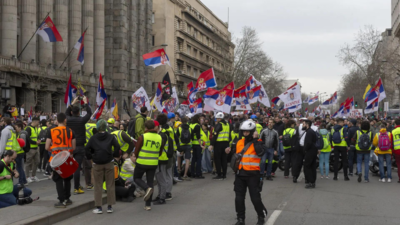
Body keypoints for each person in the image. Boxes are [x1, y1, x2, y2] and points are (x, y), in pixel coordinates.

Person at [230, 120, 267, 225]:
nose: (245, 133)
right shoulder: (239, 142)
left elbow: (260, 153)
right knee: (239, 199)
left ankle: (261, 216)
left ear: (252, 132)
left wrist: (255, 140)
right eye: (244, 131)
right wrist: (228, 150)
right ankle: (240, 219)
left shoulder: (259, 142)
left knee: (255, 198)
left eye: (247, 132)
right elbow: (235, 155)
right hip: (240, 174)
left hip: (253, 175)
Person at [85, 119, 120, 214]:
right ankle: (110, 206)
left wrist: (91, 156)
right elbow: (117, 146)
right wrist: (114, 155)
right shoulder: (110, 136)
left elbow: (87, 148)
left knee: (98, 185)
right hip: (109, 161)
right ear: (106, 127)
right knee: (110, 184)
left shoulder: (93, 138)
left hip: (97, 163)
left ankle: (99, 207)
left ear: (97, 127)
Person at [45, 113, 76, 208]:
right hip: (66, 158)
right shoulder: (70, 131)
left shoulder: (51, 130)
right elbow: (73, 147)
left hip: (56, 159)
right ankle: (67, 198)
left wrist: (54, 150)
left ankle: (61, 200)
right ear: (65, 120)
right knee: (67, 178)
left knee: (58, 179)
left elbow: (47, 147)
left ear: (57, 121)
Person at [133, 120, 165, 211]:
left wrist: (136, 156)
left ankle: (146, 189)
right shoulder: (159, 137)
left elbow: (137, 150)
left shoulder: (143, 136)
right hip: (153, 163)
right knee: (150, 182)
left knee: (136, 178)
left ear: (146, 128)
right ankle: (148, 205)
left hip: (142, 162)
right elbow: (160, 151)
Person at [65, 96, 91, 194]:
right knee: (77, 167)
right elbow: (89, 113)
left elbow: (66, 113)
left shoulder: (68, 119)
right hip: (79, 146)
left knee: (71, 167)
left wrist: (72, 103)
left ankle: (75, 185)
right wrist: (85, 103)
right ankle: (76, 187)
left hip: (69, 146)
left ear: (72, 112)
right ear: (79, 112)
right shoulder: (81, 120)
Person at [153, 114, 174, 205]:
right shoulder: (168, 130)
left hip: (163, 157)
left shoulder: (163, 133)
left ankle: (164, 195)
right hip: (167, 155)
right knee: (161, 178)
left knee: (164, 178)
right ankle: (161, 195)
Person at [209, 112, 230, 180]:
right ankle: (224, 174)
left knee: (217, 159)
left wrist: (212, 144)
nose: (217, 119)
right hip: (225, 143)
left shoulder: (219, 125)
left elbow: (215, 135)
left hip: (218, 144)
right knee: (224, 159)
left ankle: (219, 174)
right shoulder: (227, 124)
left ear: (219, 118)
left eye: (217, 118)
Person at [303, 119, 318, 188]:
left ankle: (310, 181)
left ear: (307, 125)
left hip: (310, 151)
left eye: (303, 124)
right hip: (313, 151)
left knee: (307, 166)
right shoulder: (311, 131)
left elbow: (308, 143)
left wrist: (305, 149)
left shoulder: (309, 132)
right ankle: (313, 182)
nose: (302, 125)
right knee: (312, 166)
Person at [25, 117, 41, 183]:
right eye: (38, 122)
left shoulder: (36, 128)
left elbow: (36, 136)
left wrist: (38, 140)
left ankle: (33, 176)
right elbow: (27, 138)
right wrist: (35, 142)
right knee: (28, 163)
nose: (38, 123)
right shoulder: (28, 128)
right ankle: (27, 177)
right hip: (30, 148)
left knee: (37, 161)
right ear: (35, 121)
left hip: (36, 148)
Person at [189, 114, 204, 179]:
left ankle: (192, 173)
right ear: (198, 119)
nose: (201, 119)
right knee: (198, 159)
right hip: (197, 144)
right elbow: (198, 136)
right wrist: (201, 145)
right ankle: (198, 174)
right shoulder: (197, 126)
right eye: (200, 118)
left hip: (192, 144)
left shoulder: (191, 125)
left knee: (193, 159)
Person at [84, 121, 97, 190]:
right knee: (94, 165)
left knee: (87, 167)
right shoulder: (95, 126)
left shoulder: (84, 125)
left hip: (84, 147)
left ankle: (88, 183)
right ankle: (93, 183)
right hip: (93, 148)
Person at [390, 119, 400, 183]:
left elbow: (391, 142)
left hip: (397, 151)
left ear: (395, 124)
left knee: (399, 165)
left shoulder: (393, 131)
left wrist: (391, 152)